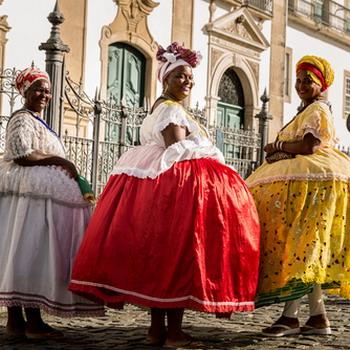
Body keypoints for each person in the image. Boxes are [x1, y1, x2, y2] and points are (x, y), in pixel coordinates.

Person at [69, 42, 260, 348]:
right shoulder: (171, 109)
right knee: (177, 257)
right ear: (166, 78)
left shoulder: (164, 107)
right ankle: (173, 333)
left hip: (158, 185)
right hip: (174, 191)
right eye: (181, 76)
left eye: (191, 78)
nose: (187, 82)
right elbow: (177, 148)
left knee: (159, 259)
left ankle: (158, 329)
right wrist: (212, 155)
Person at [246, 55, 350, 337]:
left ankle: (290, 318)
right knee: (306, 252)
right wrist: (279, 151)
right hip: (302, 188)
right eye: (299, 80)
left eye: (309, 81)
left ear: (321, 85)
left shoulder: (318, 111)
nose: (302, 85)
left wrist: (278, 145)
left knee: (300, 250)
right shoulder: (306, 110)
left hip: (313, 190)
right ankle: (318, 317)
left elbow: (309, 145)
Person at [0, 66, 104, 339]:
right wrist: (60, 161)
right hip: (27, 197)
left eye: (46, 90)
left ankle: (23, 321)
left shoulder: (37, 120)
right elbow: (21, 154)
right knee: (28, 251)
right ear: (25, 92)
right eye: (37, 89)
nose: (43, 95)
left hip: (36, 197)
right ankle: (24, 321)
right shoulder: (22, 119)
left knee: (31, 252)